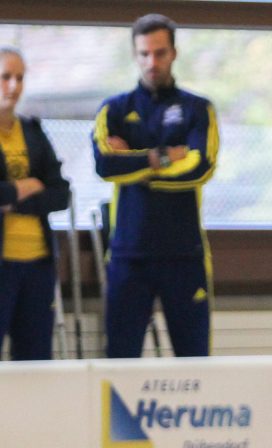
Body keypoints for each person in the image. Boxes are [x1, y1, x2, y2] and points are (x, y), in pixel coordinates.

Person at [92, 14, 219, 358]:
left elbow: (200, 168)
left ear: (173, 53)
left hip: (184, 255)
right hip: (128, 255)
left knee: (195, 362)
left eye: (160, 53)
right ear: (135, 55)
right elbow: (105, 165)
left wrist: (134, 165)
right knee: (120, 363)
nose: (152, 62)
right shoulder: (113, 109)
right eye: (144, 54)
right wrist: (162, 157)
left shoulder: (198, 109)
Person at [0, 47, 71, 361]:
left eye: (20, 78)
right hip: (3, 264)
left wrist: (12, 201)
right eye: (5, 77)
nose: (13, 86)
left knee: (36, 359)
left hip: (38, 264)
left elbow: (60, 194)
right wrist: (25, 186)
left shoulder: (33, 131)